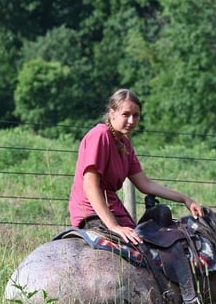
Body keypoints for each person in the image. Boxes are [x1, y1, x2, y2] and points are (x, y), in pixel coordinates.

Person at [68, 88, 204, 246]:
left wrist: (185, 199)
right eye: (126, 114)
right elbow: (90, 186)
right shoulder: (100, 135)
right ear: (112, 113)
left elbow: (145, 184)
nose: (131, 121)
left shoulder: (124, 143)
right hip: (92, 213)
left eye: (136, 115)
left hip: (114, 211)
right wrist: (114, 227)